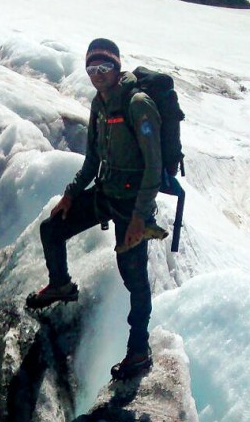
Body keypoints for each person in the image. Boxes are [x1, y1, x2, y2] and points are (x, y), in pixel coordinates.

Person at [26, 37, 165, 381]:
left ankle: (139, 350)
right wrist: (72, 193)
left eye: (104, 67)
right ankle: (61, 286)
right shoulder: (99, 104)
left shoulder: (138, 105)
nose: (98, 74)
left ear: (117, 68)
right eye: (92, 68)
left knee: (134, 279)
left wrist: (139, 218)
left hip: (133, 205)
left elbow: (153, 167)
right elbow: (92, 159)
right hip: (106, 194)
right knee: (52, 229)